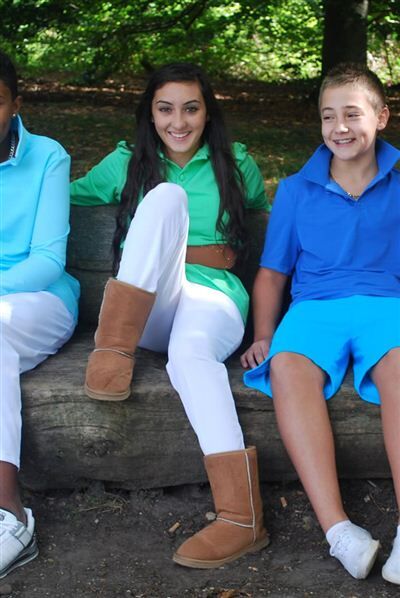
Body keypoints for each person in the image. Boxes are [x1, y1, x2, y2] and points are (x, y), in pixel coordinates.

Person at [70, 62, 270, 568]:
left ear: (208, 113)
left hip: (215, 299)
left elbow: (261, 227)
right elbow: (62, 196)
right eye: (165, 109)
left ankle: (241, 517)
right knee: (166, 197)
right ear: (150, 114)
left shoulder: (235, 164)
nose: (178, 122)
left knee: (190, 354)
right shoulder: (125, 163)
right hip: (148, 309)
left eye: (190, 109)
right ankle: (113, 346)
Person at [241, 62, 400, 584]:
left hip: (386, 303)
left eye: (352, 114)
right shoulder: (295, 189)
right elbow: (272, 274)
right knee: (287, 366)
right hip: (314, 307)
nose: (340, 127)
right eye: (328, 116)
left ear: (381, 117)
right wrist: (264, 334)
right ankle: (339, 531)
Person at [0, 51, 80, 578]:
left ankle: (10, 514)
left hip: (41, 300)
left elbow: (48, 260)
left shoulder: (48, 156)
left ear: (15, 104)